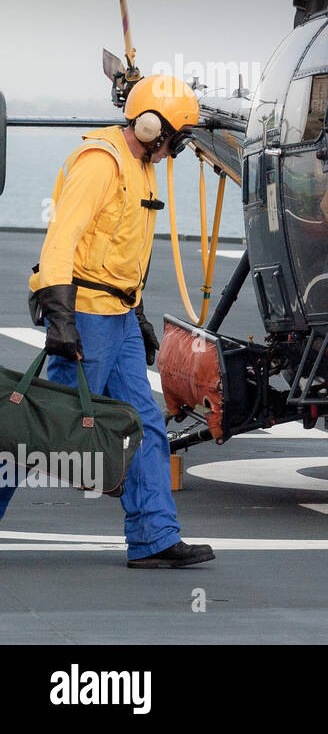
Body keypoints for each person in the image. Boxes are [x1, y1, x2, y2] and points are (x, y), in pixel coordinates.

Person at [8, 74, 215, 568]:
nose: (176, 149)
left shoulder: (140, 165)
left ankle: (154, 538)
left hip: (118, 317)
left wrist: (137, 313)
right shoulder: (100, 162)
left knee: (144, 425)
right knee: (35, 428)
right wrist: (61, 319)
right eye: (176, 138)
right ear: (150, 126)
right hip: (84, 315)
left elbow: (123, 249)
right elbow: (62, 239)